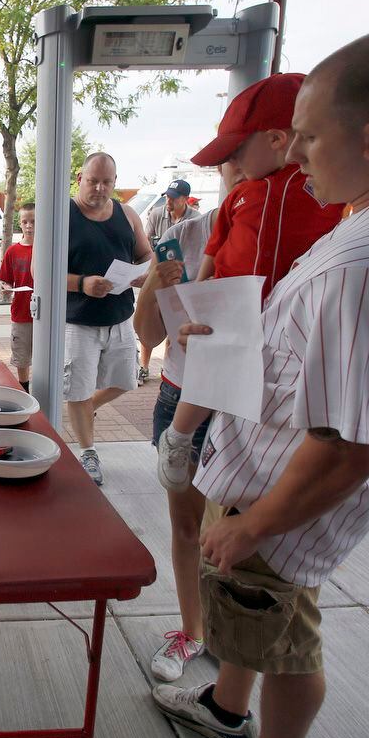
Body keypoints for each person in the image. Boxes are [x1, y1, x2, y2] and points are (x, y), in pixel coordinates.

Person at [151, 27, 369, 738]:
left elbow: (342, 451)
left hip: (288, 503)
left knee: (284, 637)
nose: (297, 157)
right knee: (251, 618)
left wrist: (254, 522)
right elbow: (322, 359)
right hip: (272, 478)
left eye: (310, 138)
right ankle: (229, 710)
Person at [156, 73, 345, 493]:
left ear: (279, 139)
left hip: (287, 329)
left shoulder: (327, 186)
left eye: (239, 150)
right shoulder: (243, 197)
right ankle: (179, 436)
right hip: (234, 309)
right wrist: (198, 305)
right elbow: (213, 252)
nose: (234, 164)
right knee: (214, 367)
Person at [133, 159, 245, 682]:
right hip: (181, 394)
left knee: (237, 530)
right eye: (231, 163)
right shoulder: (184, 234)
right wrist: (155, 280)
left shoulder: (295, 231)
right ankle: (193, 631)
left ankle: (231, 632)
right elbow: (149, 335)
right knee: (187, 523)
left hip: (246, 403)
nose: (240, 174)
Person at [64, 152, 153, 486]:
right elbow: (40, 272)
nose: (100, 188)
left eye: (107, 182)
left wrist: (146, 271)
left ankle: (85, 407)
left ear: (115, 182)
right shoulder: (62, 215)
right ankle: (88, 451)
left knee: (126, 380)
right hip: (78, 320)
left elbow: (145, 253)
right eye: (93, 180)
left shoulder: (127, 214)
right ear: (79, 178)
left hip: (119, 316)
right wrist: (82, 283)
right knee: (78, 390)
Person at [139, 180, 201, 382]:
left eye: (173, 198)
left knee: (174, 327)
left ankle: (167, 368)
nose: (169, 201)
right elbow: (147, 243)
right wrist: (148, 274)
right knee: (150, 322)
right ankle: (144, 367)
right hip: (157, 274)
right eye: (167, 197)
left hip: (181, 282)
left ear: (185, 199)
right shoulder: (157, 214)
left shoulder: (196, 221)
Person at [0, 202, 35, 391]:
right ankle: (24, 388)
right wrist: (6, 288)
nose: (29, 226)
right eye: (25, 222)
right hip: (21, 312)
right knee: (22, 356)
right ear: (20, 223)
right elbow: (5, 280)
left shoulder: (49, 250)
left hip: (45, 315)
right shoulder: (13, 251)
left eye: (34, 222)